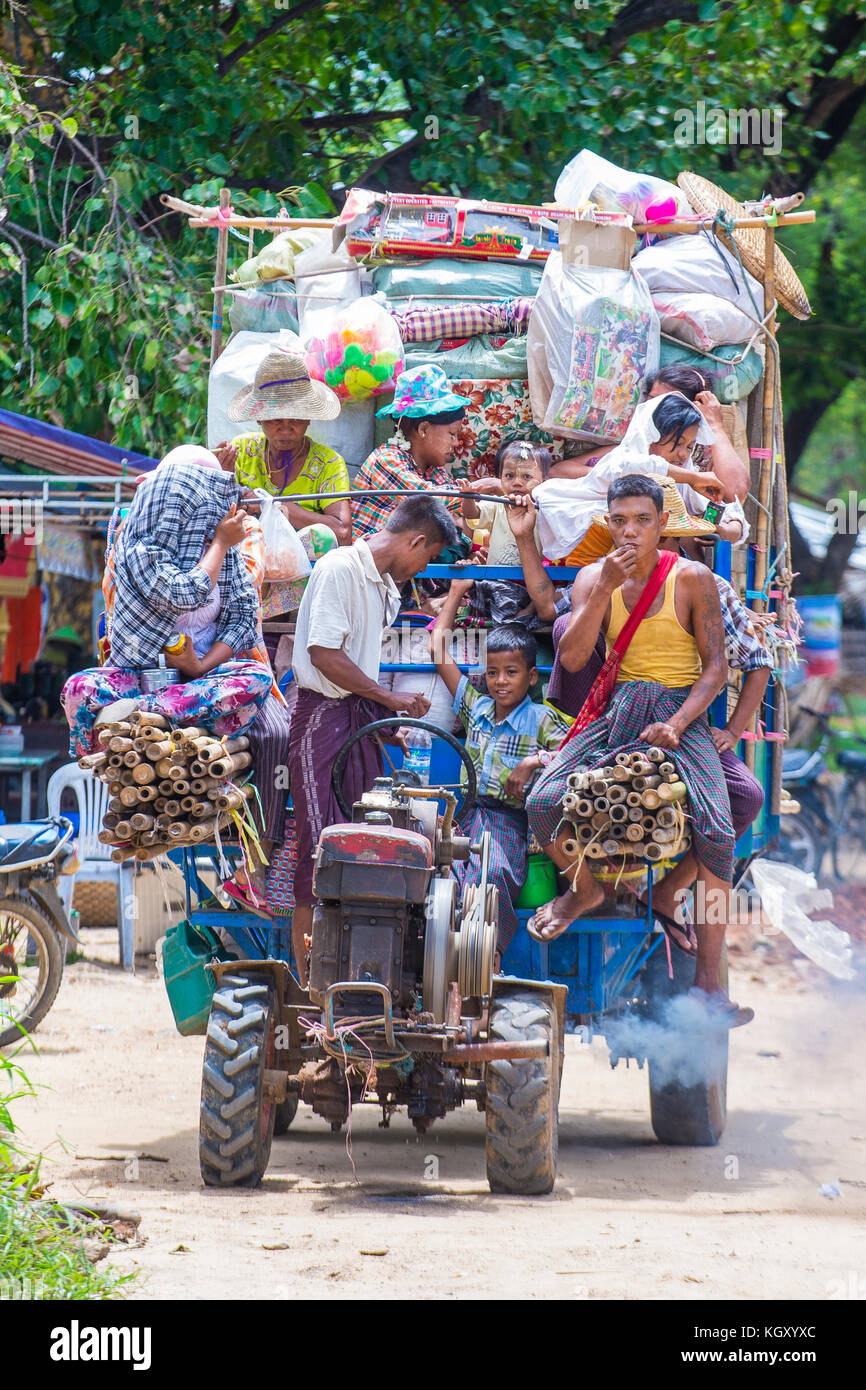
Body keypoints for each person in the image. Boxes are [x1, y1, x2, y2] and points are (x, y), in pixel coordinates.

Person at [524, 474, 753, 1027]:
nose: (630, 532)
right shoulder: (589, 579)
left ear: (661, 525)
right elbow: (575, 661)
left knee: (719, 830)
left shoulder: (694, 578)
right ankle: (587, 890)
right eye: (619, 520)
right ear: (606, 523)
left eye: (642, 521)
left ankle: (709, 981)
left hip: (681, 713)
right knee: (543, 802)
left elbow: (716, 667)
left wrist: (677, 723)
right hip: (621, 710)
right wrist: (602, 588)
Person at [288, 494, 459, 983]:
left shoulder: (386, 587)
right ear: (416, 540)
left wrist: (384, 715)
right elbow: (323, 654)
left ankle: (360, 980)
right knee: (322, 852)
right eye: (427, 557)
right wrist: (389, 700)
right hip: (322, 720)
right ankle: (310, 988)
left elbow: (354, 663)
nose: (422, 566)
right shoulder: (340, 569)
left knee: (369, 844)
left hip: (356, 720)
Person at [62, 456, 271, 755]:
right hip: (138, 677)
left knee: (257, 678)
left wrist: (198, 664)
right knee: (78, 688)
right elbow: (186, 593)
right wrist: (220, 545)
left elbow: (242, 619)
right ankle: (163, 713)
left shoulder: (224, 548)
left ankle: (142, 710)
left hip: (201, 680)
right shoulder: (140, 547)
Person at [430, 595, 569, 953]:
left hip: (510, 822)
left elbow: (571, 759)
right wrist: (458, 589)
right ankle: (444, 963)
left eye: (511, 672)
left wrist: (532, 761)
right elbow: (438, 649)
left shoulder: (540, 718)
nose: (500, 682)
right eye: (492, 673)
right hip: (464, 815)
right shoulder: (475, 707)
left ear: (531, 675)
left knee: (491, 877)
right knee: (440, 879)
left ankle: (485, 960)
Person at [532, 392, 730, 563]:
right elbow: (637, 466)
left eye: (689, 446)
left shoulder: (683, 478)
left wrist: (729, 527)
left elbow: (731, 513)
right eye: (676, 443)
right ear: (651, 435)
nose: (683, 454)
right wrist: (692, 478)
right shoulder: (620, 460)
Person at [548, 364, 750, 503]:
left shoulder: (700, 460)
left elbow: (734, 494)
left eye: (665, 405)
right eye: (651, 400)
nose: (652, 411)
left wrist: (715, 425)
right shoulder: (632, 451)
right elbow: (558, 471)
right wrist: (618, 476)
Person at [351, 364, 466, 539]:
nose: (456, 443)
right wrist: (481, 490)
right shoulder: (385, 460)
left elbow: (458, 517)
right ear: (423, 429)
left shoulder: (434, 470)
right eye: (451, 434)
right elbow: (427, 503)